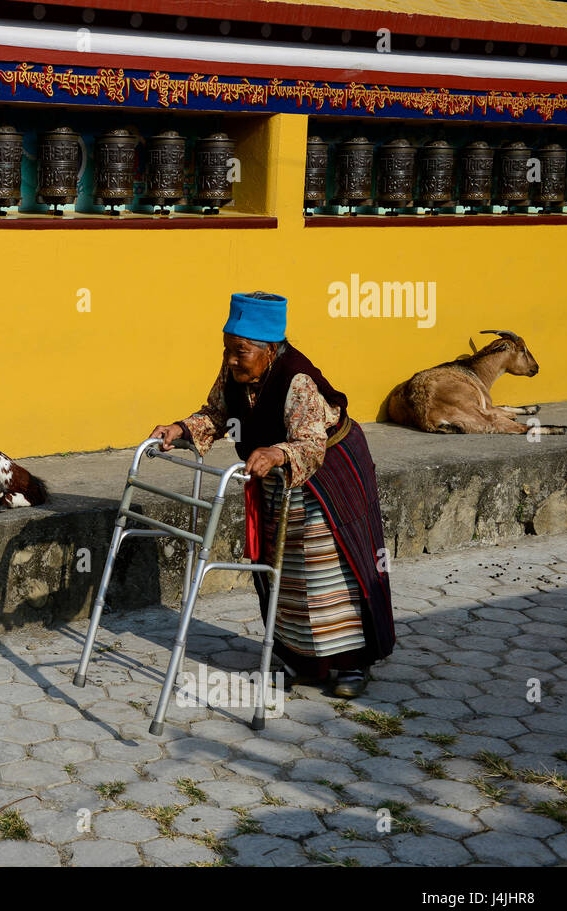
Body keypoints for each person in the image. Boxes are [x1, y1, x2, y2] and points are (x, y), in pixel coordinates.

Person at [149, 292, 395, 698]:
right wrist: (180, 430)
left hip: (326, 475)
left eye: (240, 351)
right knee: (285, 569)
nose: (231, 359)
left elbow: (311, 443)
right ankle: (306, 661)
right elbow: (216, 413)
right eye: (228, 349)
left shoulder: (296, 379)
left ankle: (351, 665)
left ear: (269, 349)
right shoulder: (235, 370)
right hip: (275, 475)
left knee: (325, 570)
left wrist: (277, 452)